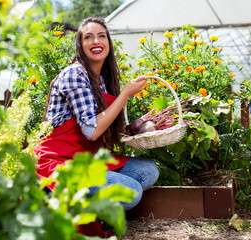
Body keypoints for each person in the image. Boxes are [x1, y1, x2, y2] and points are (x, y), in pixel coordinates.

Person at [33, 17, 159, 237]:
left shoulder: (101, 79)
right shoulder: (75, 75)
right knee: (131, 191)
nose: (96, 41)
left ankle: (80, 199)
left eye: (101, 35)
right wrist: (125, 95)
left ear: (108, 42)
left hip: (84, 159)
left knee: (149, 170)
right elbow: (92, 131)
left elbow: (102, 122)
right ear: (80, 45)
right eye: (88, 37)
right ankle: (58, 200)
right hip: (58, 163)